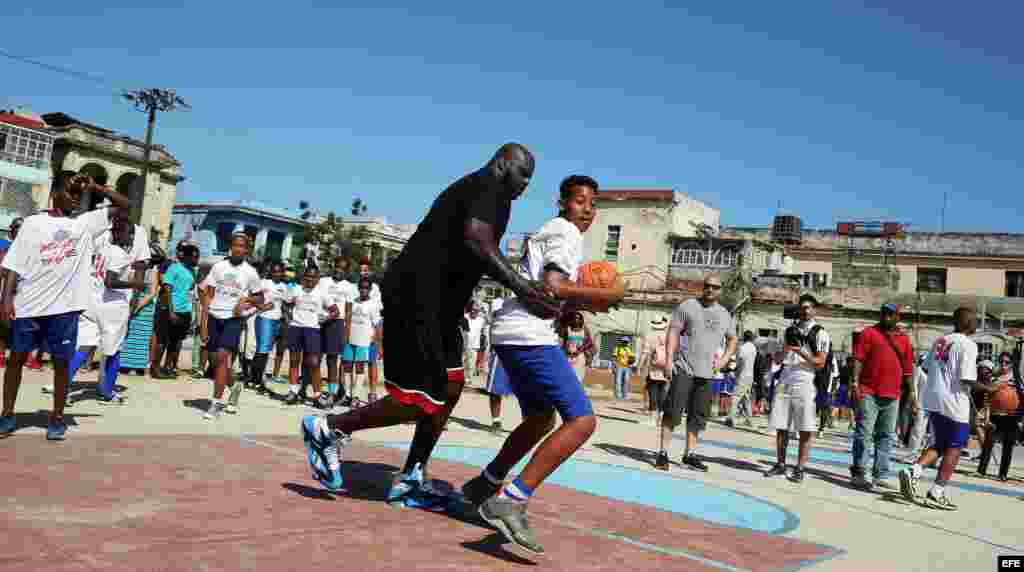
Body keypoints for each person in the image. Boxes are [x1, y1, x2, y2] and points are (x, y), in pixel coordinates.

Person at [300, 144, 558, 510]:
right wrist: (523, 289)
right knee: (422, 398)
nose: (526, 185)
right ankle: (329, 428)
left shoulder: (499, 197)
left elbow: (474, 252)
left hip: (443, 306)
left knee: (451, 388)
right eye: (522, 175)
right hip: (417, 297)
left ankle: (411, 478)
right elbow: (477, 239)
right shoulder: (485, 186)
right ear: (502, 164)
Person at [460, 174, 625, 555]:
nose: (587, 210)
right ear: (563, 203)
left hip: (512, 331)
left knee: (539, 418)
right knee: (582, 421)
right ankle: (512, 499)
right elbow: (552, 285)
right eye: (580, 201)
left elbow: (545, 292)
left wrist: (575, 306)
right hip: (528, 335)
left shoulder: (550, 230)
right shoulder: (567, 233)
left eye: (592, 204)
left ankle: (485, 483)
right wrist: (604, 292)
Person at [0, 173, 130, 439]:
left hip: (65, 308)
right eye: (70, 191)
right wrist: (6, 299)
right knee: (16, 360)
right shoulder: (33, 223)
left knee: (61, 363)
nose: (75, 197)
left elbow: (125, 206)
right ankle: (7, 414)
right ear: (54, 192)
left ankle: (57, 417)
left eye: (79, 194)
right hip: (28, 305)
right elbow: (14, 265)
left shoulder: (85, 223)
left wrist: (96, 188)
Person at [898, 307, 992, 510]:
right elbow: (966, 378)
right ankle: (937, 491)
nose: (977, 324)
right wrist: (988, 387)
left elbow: (926, 367)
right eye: (975, 320)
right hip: (954, 400)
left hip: (933, 398)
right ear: (967, 322)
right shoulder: (968, 345)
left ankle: (913, 470)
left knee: (940, 443)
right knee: (956, 446)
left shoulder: (941, 340)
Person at [655, 275, 737, 472]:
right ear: (703, 287)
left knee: (698, 417)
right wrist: (668, 360)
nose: (710, 289)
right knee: (672, 412)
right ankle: (663, 453)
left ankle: (689, 454)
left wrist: (724, 359)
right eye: (707, 286)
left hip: (707, 374)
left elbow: (733, 339)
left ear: (720, 290)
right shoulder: (687, 306)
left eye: (715, 287)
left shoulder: (725, 314)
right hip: (684, 369)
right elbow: (673, 332)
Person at [763, 294, 830, 483]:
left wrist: (800, 350)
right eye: (802, 307)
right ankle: (780, 464)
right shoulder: (790, 330)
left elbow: (820, 363)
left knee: (805, 426)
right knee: (781, 424)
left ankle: (800, 467)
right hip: (786, 375)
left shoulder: (820, 333)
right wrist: (783, 350)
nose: (805, 310)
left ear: (814, 309)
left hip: (805, 378)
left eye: (809, 307)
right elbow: (779, 358)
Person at [198, 233, 264, 419]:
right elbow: (207, 297)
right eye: (235, 245)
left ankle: (215, 403)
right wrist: (203, 324)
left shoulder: (250, 272)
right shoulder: (218, 267)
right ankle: (234, 385)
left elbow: (260, 298)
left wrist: (246, 299)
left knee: (221, 357)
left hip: (233, 319)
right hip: (213, 316)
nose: (238, 249)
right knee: (214, 360)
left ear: (246, 250)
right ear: (231, 247)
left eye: (242, 246)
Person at [849, 303, 915, 490]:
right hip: (868, 391)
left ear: (897, 317)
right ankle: (859, 472)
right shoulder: (868, 334)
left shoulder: (904, 340)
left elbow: (908, 370)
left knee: (886, 436)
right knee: (864, 433)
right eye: (883, 313)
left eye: (890, 315)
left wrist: (912, 395)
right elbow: (858, 359)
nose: (886, 317)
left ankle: (881, 474)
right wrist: (854, 382)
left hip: (893, 394)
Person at [283, 266, 338, 407]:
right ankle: (293, 391)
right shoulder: (296, 289)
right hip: (296, 327)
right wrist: (288, 319)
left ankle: (317, 395)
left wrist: (326, 319)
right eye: (308, 276)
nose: (310, 279)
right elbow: (285, 303)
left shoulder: (322, 293)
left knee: (313, 362)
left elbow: (335, 311)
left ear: (318, 279)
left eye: (313, 277)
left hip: (313, 329)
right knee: (294, 361)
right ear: (304, 276)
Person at [151, 243, 199, 379]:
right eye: (194, 257)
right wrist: (171, 311)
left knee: (176, 341)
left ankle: (168, 367)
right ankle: (155, 369)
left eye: (197, 257)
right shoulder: (174, 268)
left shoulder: (192, 271)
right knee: (162, 340)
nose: (196, 260)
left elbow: (190, 290)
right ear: (187, 256)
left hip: (185, 310)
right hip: (171, 309)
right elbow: (167, 289)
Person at [976, 351, 1022, 481]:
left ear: (1011, 364)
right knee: (988, 444)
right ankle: (981, 470)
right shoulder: (993, 379)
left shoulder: (1017, 379)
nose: (1003, 365)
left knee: (1008, 446)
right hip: (995, 415)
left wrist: (1021, 418)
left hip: (1012, 416)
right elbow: (988, 399)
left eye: (1007, 362)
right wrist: (986, 416)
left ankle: (1003, 474)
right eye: (1001, 361)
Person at [248, 260, 290, 394]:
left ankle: (254, 379)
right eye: (274, 271)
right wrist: (262, 307)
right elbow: (251, 297)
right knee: (263, 349)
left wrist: (288, 317)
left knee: (266, 351)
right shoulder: (263, 283)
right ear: (270, 272)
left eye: (280, 271)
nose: (277, 274)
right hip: (265, 319)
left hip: (277, 320)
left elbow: (286, 303)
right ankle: (256, 380)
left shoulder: (284, 286)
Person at [319, 256, 356, 405]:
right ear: (333, 266)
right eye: (337, 266)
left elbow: (348, 311)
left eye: (343, 268)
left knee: (332, 359)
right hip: (319, 322)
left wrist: (346, 331)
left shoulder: (349, 286)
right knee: (313, 357)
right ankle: (302, 388)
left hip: (336, 324)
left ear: (347, 271)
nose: (339, 270)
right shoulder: (323, 281)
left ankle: (332, 393)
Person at [344, 277, 382, 402]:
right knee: (347, 366)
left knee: (359, 367)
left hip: (364, 341)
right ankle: (348, 394)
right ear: (358, 288)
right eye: (361, 288)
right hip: (351, 339)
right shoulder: (353, 302)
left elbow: (377, 325)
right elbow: (348, 319)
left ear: (370, 289)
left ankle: (356, 396)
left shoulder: (373, 305)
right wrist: (345, 337)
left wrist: (378, 343)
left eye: (366, 288)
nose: (363, 290)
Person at [0, 217, 23, 369]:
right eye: (17, 229)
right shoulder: (4, 245)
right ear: (12, 230)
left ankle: (22, 356)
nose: (20, 233)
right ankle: (1, 354)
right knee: (2, 322)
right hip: (5, 287)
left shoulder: (26, 246)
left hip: (21, 289)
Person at [639, 317, 670, 426]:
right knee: (663, 392)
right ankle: (661, 418)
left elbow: (645, 352)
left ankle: (652, 419)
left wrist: (640, 365)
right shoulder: (668, 335)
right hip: (666, 368)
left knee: (652, 392)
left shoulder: (649, 335)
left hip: (652, 368)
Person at [729, 331, 757, 428]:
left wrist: (731, 368)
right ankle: (749, 419)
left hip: (742, 375)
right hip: (750, 375)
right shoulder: (753, 348)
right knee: (746, 398)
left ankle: (731, 419)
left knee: (736, 397)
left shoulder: (742, 348)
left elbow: (738, 362)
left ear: (744, 337)